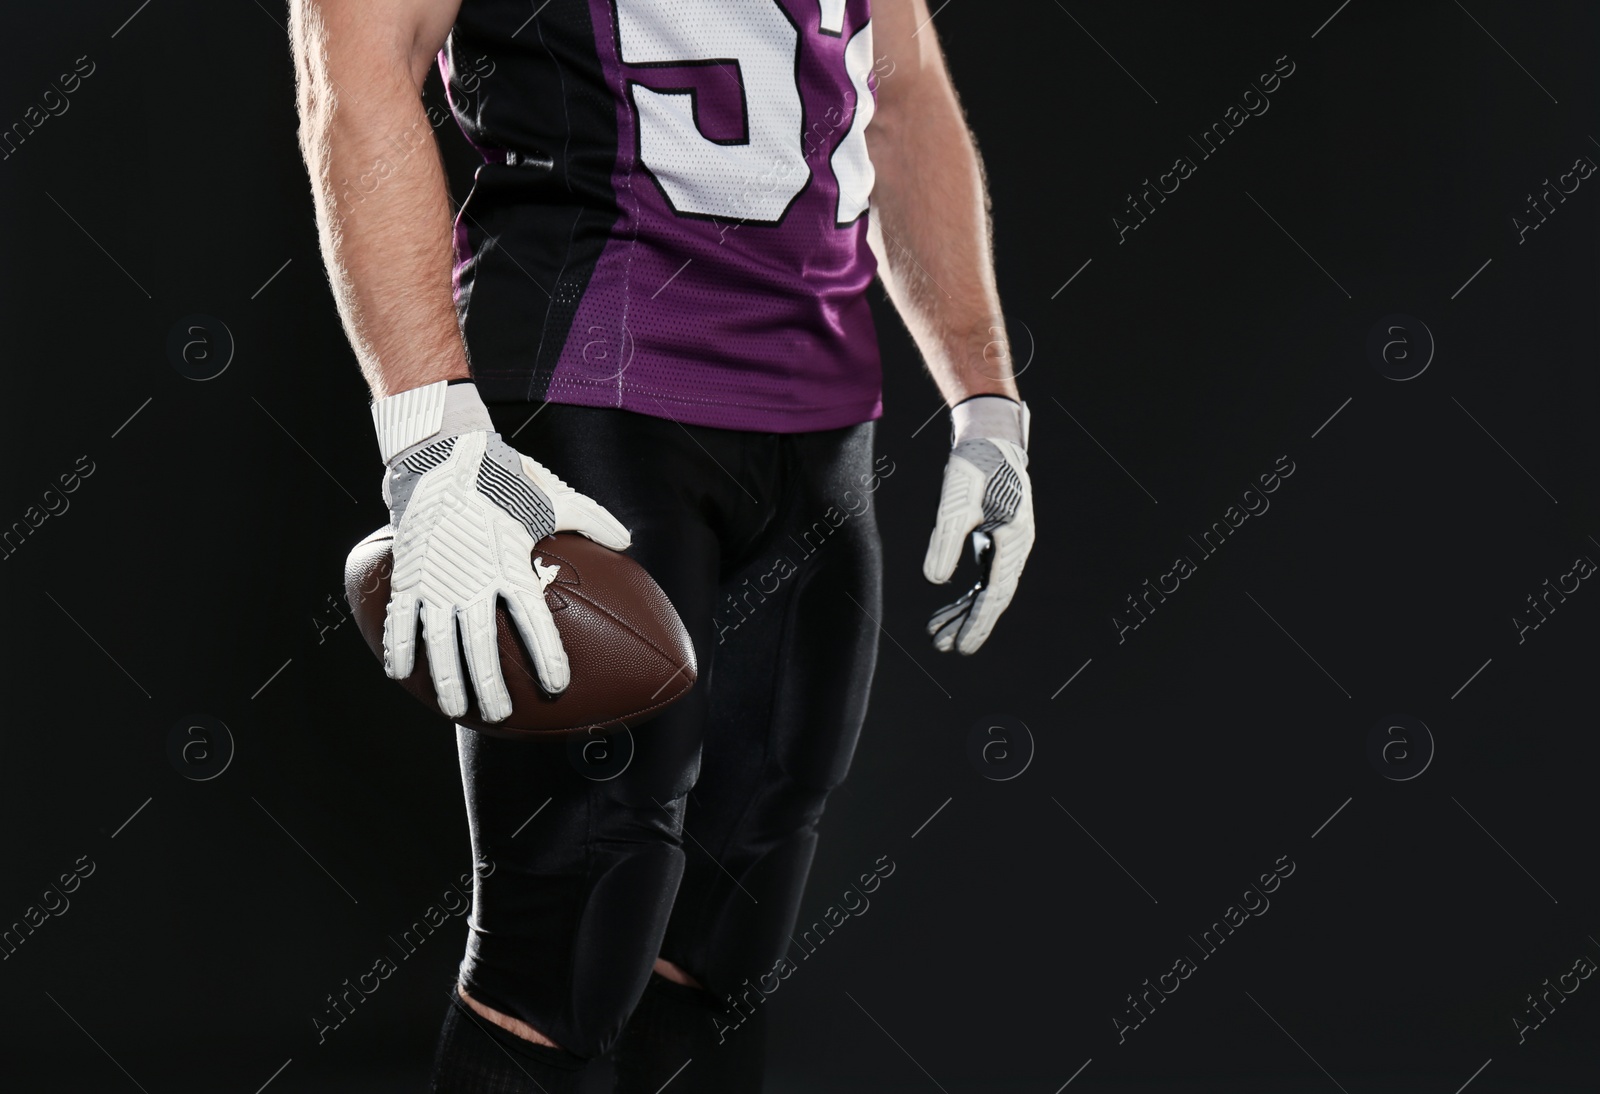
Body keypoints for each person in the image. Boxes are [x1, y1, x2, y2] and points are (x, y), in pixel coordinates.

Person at [290, 0, 1034, 1089]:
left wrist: (985, 403)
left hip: (820, 418)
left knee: (726, 935)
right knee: (568, 937)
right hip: (593, 385)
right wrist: (429, 434)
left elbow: (900, 90)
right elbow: (350, 68)